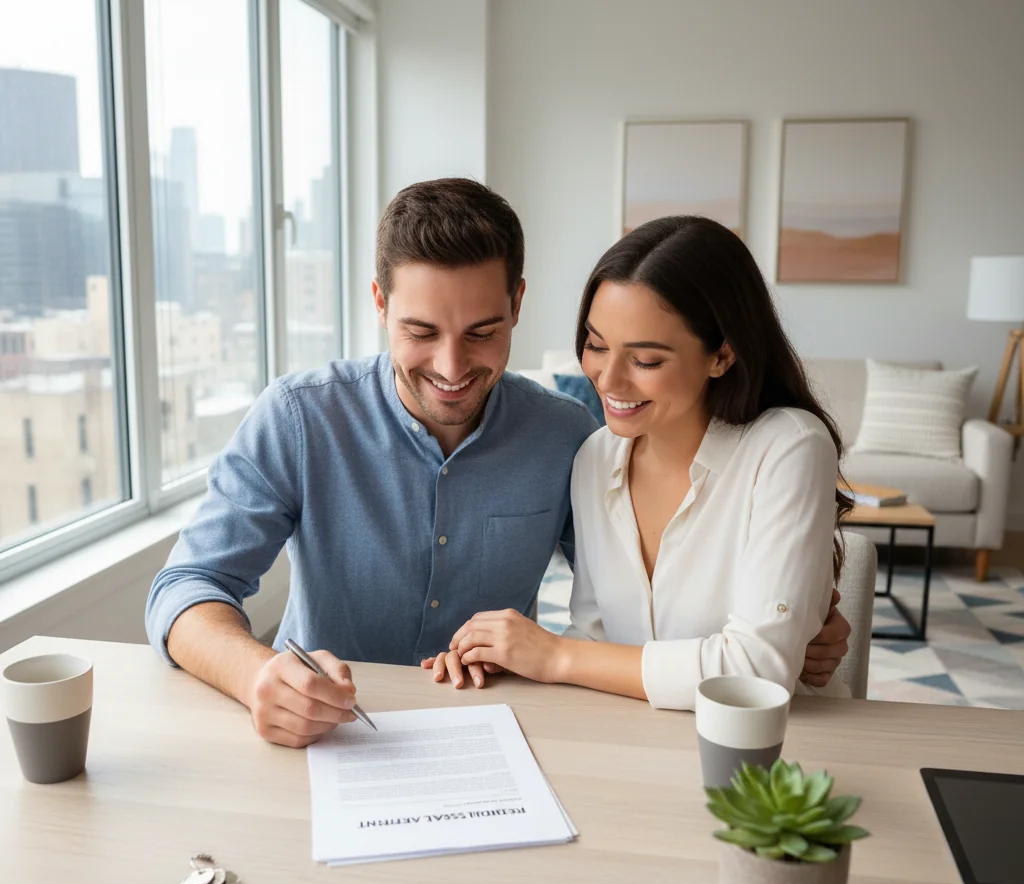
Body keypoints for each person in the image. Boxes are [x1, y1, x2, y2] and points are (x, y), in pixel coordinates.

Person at [145, 180, 851, 747]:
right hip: (325, 738)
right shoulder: (299, 418)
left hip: (498, 739)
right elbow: (185, 587)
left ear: (518, 303)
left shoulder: (571, 438)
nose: (452, 368)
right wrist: (259, 676)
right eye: (420, 332)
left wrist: (792, 621)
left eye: (483, 332)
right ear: (380, 304)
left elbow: (644, 596)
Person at [433, 215, 854, 705]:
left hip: (773, 754)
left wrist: (553, 656)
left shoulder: (789, 447)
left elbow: (754, 672)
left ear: (722, 354)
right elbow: (596, 637)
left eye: (645, 360)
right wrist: (503, 657)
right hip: (639, 742)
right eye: (595, 345)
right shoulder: (596, 457)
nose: (608, 380)